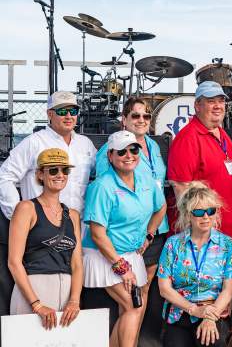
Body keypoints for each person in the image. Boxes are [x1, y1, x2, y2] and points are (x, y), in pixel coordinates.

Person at [0, 91, 95, 326]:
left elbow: (98, 180)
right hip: (38, 237)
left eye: (73, 111)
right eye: (62, 111)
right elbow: (5, 176)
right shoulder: (34, 142)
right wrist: (22, 218)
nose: (69, 116)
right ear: (49, 114)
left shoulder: (86, 144)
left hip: (75, 230)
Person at [82, 131, 167, 347]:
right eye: (121, 151)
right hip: (105, 255)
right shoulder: (101, 187)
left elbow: (161, 207)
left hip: (131, 254)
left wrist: (149, 233)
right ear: (110, 156)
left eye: (133, 149)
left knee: (130, 307)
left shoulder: (146, 179)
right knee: (133, 305)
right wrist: (121, 267)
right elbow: (98, 235)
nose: (128, 155)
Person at [95, 97, 170, 309]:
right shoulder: (110, 151)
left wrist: (150, 232)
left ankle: (134, 338)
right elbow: (107, 191)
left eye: (146, 116)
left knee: (144, 287)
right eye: (135, 115)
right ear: (124, 120)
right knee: (129, 293)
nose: (142, 120)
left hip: (154, 229)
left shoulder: (154, 146)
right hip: (127, 233)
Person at [157, 182, 232, 347]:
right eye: (198, 212)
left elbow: (229, 289)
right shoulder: (173, 244)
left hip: (213, 311)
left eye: (210, 211)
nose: (206, 217)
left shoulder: (227, 244)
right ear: (188, 215)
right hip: (179, 313)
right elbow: (164, 288)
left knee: (210, 341)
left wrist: (210, 317)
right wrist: (193, 309)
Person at [7, 149, 82, 330]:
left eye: (65, 170)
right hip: (32, 290)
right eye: (53, 170)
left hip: (66, 295)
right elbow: (14, 262)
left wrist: (74, 300)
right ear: (40, 174)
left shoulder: (72, 215)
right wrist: (36, 304)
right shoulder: (26, 208)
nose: (60, 175)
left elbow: (77, 263)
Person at [167, 81, 232, 249]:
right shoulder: (188, 138)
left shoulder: (220, 133)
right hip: (205, 243)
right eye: (211, 101)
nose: (218, 106)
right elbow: (182, 192)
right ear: (197, 105)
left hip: (230, 236)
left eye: (221, 100)